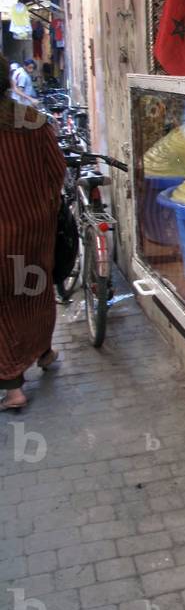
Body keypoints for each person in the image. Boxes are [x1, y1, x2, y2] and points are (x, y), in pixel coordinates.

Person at [0, 54, 66, 410]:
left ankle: (13, 388)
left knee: (4, 308)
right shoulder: (32, 119)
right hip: (35, 228)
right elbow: (56, 172)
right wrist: (43, 207)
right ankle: (44, 351)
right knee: (35, 291)